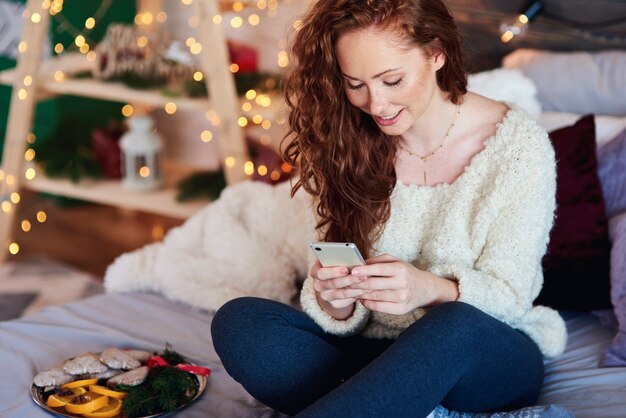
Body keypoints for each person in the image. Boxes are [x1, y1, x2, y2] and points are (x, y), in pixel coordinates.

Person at [211, 0, 567, 416]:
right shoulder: (351, 141)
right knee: (242, 324)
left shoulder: (519, 147)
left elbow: (512, 296)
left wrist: (429, 289)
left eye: (392, 80)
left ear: (437, 54)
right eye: (355, 83)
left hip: (481, 355)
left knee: (452, 325)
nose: (376, 104)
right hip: (375, 354)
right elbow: (347, 300)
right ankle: (392, 402)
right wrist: (335, 300)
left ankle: (380, 399)